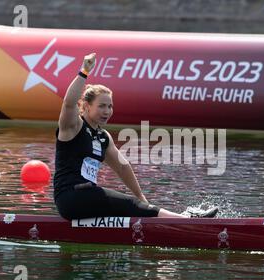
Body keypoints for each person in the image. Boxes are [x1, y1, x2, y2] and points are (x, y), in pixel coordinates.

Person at [54, 53, 218, 220]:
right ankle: (188, 221)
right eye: (102, 106)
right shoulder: (73, 127)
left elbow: (123, 167)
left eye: (110, 106)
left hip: (87, 199)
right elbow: (68, 103)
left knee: (133, 207)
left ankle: (171, 217)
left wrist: (141, 198)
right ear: (87, 106)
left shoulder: (103, 137)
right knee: (130, 205)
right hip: (70, 197)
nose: (107, 111)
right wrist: (84, 71)